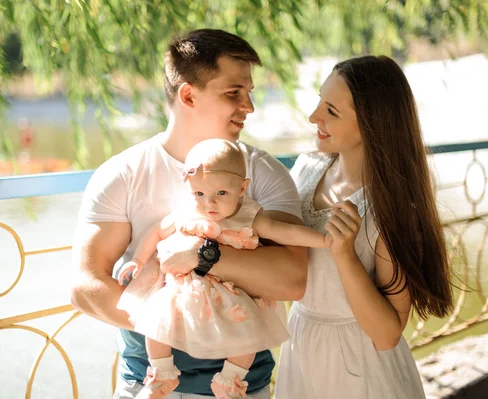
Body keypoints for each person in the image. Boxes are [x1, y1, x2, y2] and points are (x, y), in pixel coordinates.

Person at [70, 29, 308, 399]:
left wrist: (202, 257)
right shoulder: (123, 173)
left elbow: (292, 279)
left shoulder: (264, 173)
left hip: (241, 389)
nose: (249, 106)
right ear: (187, 95)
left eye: (249, 93)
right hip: (146, 387)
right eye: (234, 93)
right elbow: (85, 287)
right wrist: (175, 329)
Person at [274, 55, 454, 399]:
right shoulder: (305, 169)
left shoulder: (392, 208)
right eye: (319, 103)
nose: (314, 117)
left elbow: (387, 335)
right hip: (299, 348)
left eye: (331, 111)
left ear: (372, 123)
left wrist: (345, 256)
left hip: (362, 371)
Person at [116, 138, 330, 399]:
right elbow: (157, 232)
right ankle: (162, 373)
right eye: (199, 194)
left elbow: (284, 232)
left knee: (249, 331)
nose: (210, 204)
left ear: (242, 189)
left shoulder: (249, 217)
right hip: (183, 290)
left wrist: (323, 240)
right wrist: (137, 260)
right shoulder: (187, 212)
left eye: (221, 194)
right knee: (156, 320)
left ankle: (230, 381)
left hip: (230, 293)